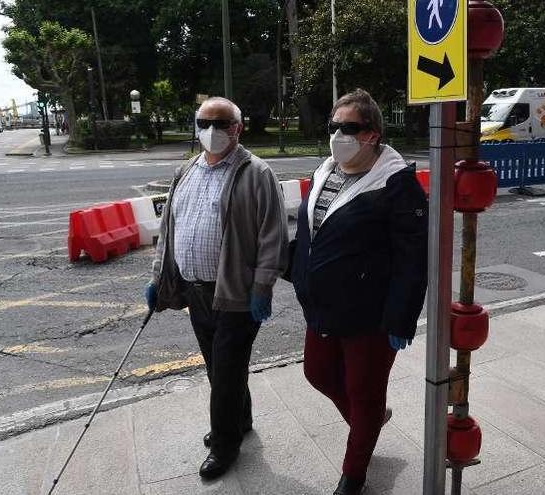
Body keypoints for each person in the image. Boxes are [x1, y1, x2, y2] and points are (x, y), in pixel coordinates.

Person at [290, 89, 428, 495]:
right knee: (317, 373)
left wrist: (401, 318)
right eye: (333, 126)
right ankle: (368, 422)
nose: (337, 135)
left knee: (363, 391)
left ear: (372, 134)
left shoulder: (397, 184)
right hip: (323, 304)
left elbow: (412, 259)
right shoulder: (325, 171)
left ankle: (354, 473)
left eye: (348, 128)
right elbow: (310, 234)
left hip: (370, 313)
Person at [145, 96, 289, 480]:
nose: (211, 131)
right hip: (196, 291)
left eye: (221, 123)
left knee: (225, 373)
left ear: (237, 128)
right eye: (203, 122)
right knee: (219, 367)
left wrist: (262, 286)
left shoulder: (256, 173)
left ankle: (225, 445)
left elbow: (273, 234)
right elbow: (170, 232)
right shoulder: (186, 171)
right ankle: (239, 420)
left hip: (237, 294)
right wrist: (159, 277)